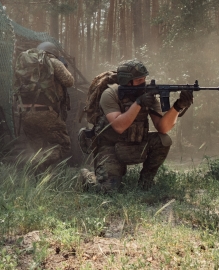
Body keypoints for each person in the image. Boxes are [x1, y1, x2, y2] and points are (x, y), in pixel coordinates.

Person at [81, 59, 193, 191]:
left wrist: (178, 107)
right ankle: (86, 177)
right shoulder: (110, 94)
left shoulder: (147, 95)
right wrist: (139, 103)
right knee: (108, 189)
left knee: (163, 140)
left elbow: (163, 127)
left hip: (137, 143)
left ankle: (146, 181)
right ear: (126, 81)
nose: (143, 83)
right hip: (110, 147)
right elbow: (119, 126)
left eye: (144, 79)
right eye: (139, 80)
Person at [17, 41, 76, 168]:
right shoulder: (52, 61)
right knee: (64, 145)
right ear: (53, 52)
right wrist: (62, 66)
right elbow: (69, 81)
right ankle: (37, 164)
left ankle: (33, 174)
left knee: (38, 149)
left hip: (26, 113)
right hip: (46, 113)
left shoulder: (27, 65)